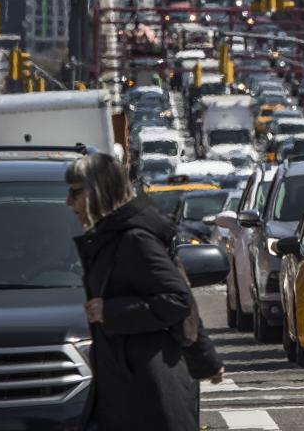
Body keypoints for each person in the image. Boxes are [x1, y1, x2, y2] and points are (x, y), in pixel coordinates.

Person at [67, 153, 224, 430]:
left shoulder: (133, 239)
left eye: (75, 192)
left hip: (147, 390)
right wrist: (207, 361)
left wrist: (111, 311)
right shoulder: (113, 237)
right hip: (129, 386)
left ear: (97, 192)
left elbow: (177, 299)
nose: (69, 202)